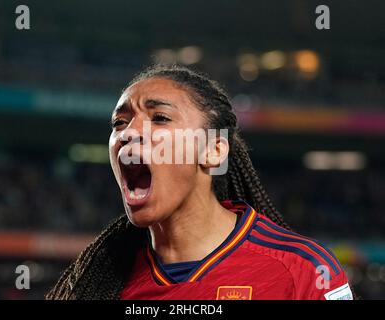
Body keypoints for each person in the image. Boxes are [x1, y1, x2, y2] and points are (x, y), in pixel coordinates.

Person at [46, 65, 353, 300]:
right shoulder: (101, 279)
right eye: (119, 122)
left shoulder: (306, 271)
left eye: (160, 118)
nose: (128, 132)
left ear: (213, 149)